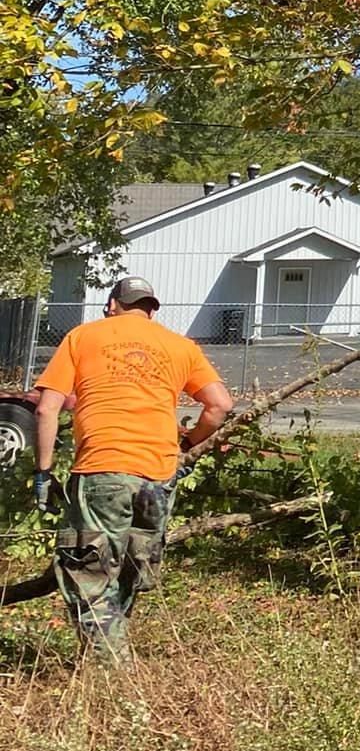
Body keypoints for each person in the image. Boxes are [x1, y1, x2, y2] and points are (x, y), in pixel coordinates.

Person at [32, 276, 234, 659]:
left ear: (112, 305)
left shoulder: (82, 337)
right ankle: (113, 657)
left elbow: (46, 408)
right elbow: (220, 405)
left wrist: (43, 472)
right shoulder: (180, 346)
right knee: (130, 568)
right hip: (158, 475)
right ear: (152, 309)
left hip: (103, 468)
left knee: (89, 572)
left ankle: (113, 674)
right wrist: (186, 445)